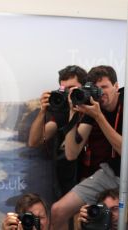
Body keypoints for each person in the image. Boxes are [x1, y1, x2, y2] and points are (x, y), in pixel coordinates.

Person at [51, 65, 123, 230]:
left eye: (104, 87)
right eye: (96, 89)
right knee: (57, 210)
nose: (101, 93)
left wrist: (98, 116)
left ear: (116, 86)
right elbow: (71, 153)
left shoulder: (124, 103)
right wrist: (73, 112)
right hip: (112, 172)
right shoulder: (94, 106)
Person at [28, 65, 87, 197]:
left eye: (72, 88)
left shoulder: (94, 110)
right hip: (67, 182)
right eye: (64, 89)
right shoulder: (62, 111)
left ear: (84, 87)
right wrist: (43, 111)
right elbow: (34, 141)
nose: (68, 94)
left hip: (91, 178)